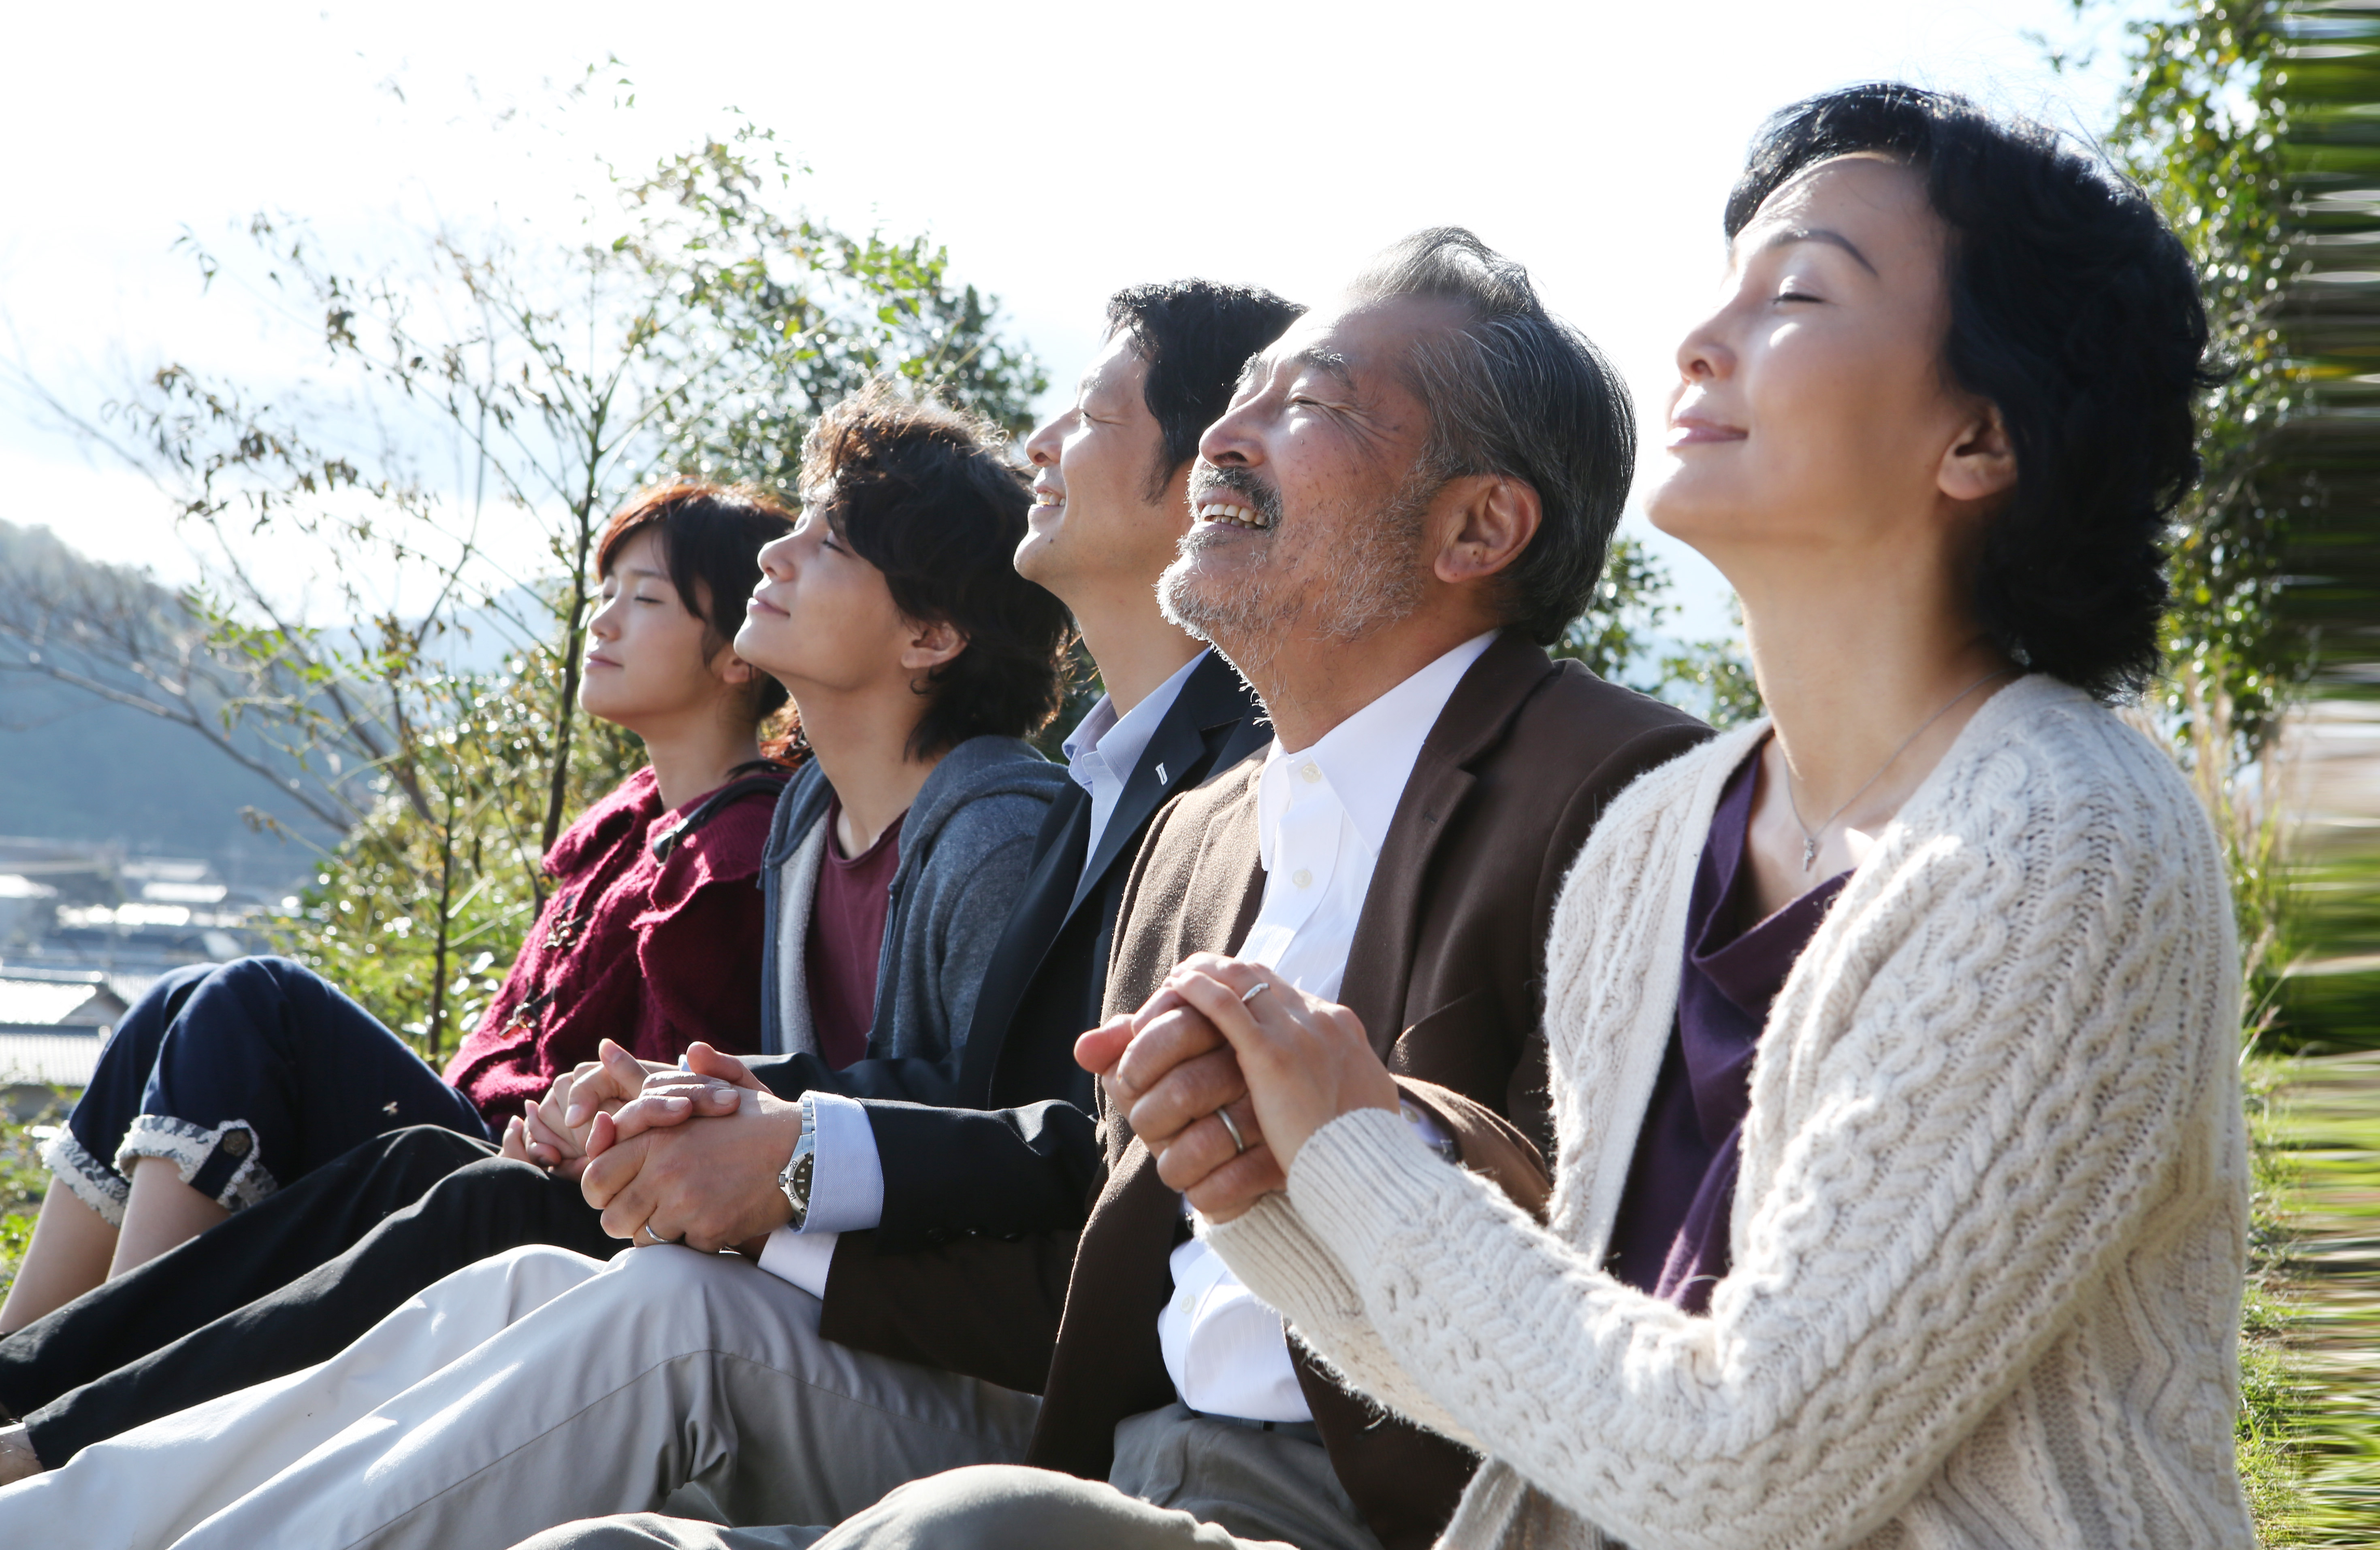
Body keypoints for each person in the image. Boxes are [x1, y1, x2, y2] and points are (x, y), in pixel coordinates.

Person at [0, 225, 1709, 1550]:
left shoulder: (1620, 801)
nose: (1233, 439)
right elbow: (1095, 1217)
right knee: (609, 1287)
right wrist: (769, 1175)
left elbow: (1630, 1284)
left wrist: (1370, 1142)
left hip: (1362, 1500)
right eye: (1237, 396)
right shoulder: (1212, 824)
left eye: (1310, 400)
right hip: (1101, 1429)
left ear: (1476, 528)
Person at [1064, 85, 2255, 1550]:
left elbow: (1745, 1465)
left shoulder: (2067, 845)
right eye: (1725, 283)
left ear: (1979, 438)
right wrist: (1272, 1193)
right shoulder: (1663, 832)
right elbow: (1575, 1376)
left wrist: (1352, 1152)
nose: (1700, 337)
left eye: (1800, 290)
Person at [0, 385, 1075, 1484]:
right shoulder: (812, 816)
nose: (780, 555)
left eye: (829, 540)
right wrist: (639, 1088)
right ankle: (29, 1397)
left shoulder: (987, 827)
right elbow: (811, 1077)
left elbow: (980, 1124)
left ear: (932, 634)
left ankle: (59, 1451)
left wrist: (686, 1109)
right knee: (416, 1153)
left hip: (892, 1316)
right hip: (777, 1235)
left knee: (462, 1177)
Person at [0, 481, 797, 1336]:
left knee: (252, 1000)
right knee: (174, 1001)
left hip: (527, 1193)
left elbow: (682, 1092)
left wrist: (572, 1131)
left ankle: (100, 1374)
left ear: (738, 653)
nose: (601, 622)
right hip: (476, 1149)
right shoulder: (635, 823)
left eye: (644, 600)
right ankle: (20, 1360)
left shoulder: (732, 854)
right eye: (602, 596)